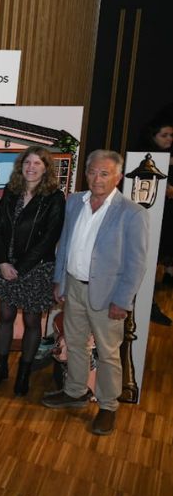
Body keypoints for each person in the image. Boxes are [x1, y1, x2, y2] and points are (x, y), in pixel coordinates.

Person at [45, 150, 148, 436]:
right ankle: (76, 391)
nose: (97, 178)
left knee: (107, 352)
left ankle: (108, 406)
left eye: (104, 173)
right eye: (92, 172)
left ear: (117, 176)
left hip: (108, 295)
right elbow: (65, 243)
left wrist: (123, 301)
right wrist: (59, 281)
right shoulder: (75, 201)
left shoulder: (132, 213)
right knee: (75, 343)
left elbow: (136, 263)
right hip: (74, 286)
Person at [0, 146, 65, 397]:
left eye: (37, 163)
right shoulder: (11, 191)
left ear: (45, 168)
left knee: (32, 322)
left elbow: (49, 238)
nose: (31, 167)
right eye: (27, 162)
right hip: (5, 265)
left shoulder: (54, 197)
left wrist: (18, 268)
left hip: (36, 269)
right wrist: (1, 263)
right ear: (21, 166)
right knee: (5, 318)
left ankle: (23, 373)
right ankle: (0, 369)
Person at [138, 117, 173, 325]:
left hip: (165, 219)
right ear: (153, 136)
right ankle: (147, 306)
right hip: (149, 220)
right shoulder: (143, 158)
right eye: (164, 135)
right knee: (145, 264)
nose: (169, 139)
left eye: (171, 135)